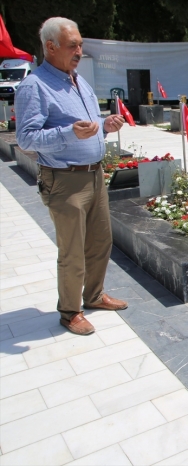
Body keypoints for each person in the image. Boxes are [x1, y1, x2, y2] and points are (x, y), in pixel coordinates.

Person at [15, 17, 128, 336]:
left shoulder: (78, 81)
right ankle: (69, 311)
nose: (79, 51)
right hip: (64, 180)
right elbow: (25, 139)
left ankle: (93, 295)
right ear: (50, 47)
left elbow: (89, 125)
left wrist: (105, 126)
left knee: (100, 241)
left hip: (94, 175)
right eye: (72, 46)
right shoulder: (34, 86)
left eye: (81, 44)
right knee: (73, 250)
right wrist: (68, 133)